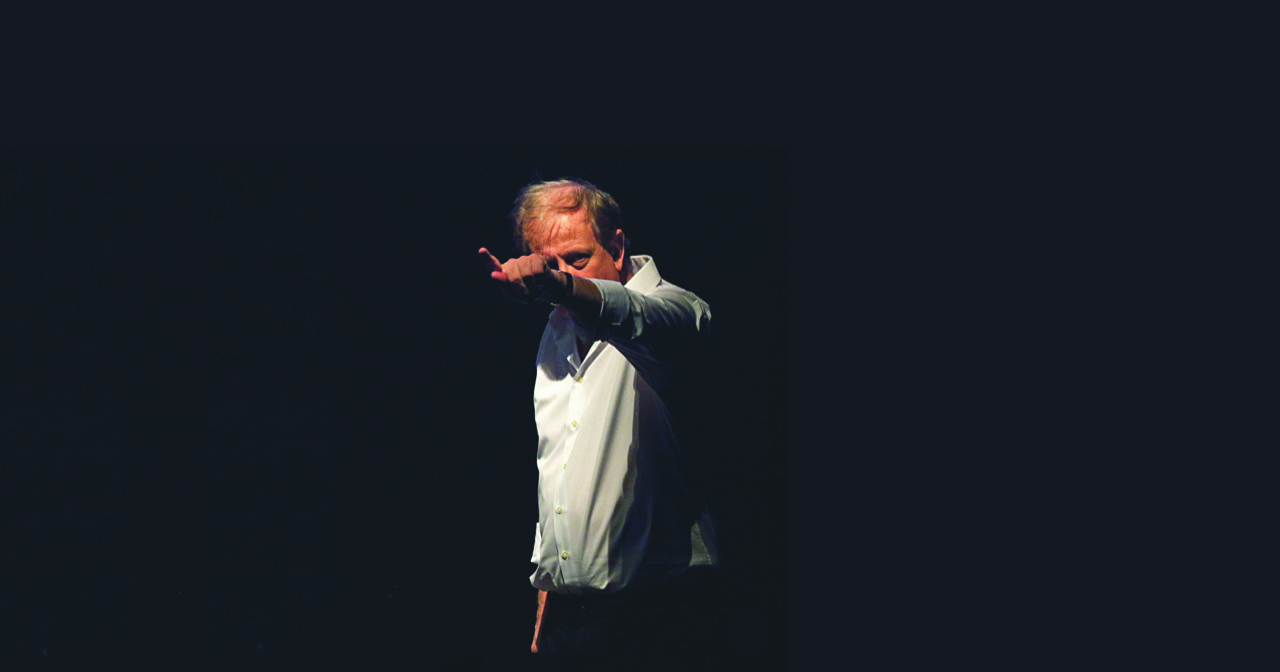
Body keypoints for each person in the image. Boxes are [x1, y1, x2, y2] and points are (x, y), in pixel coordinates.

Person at [478, 178, 722, 654]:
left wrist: (561, 284)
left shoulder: (678, 312)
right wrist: (548, 594)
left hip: (658, 618)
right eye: (548, 265)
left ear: (617, 246)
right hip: (570, 622)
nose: (561, 276)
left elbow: (634, 315)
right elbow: (559, 472)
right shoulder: (556, 328)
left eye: (577, 259)